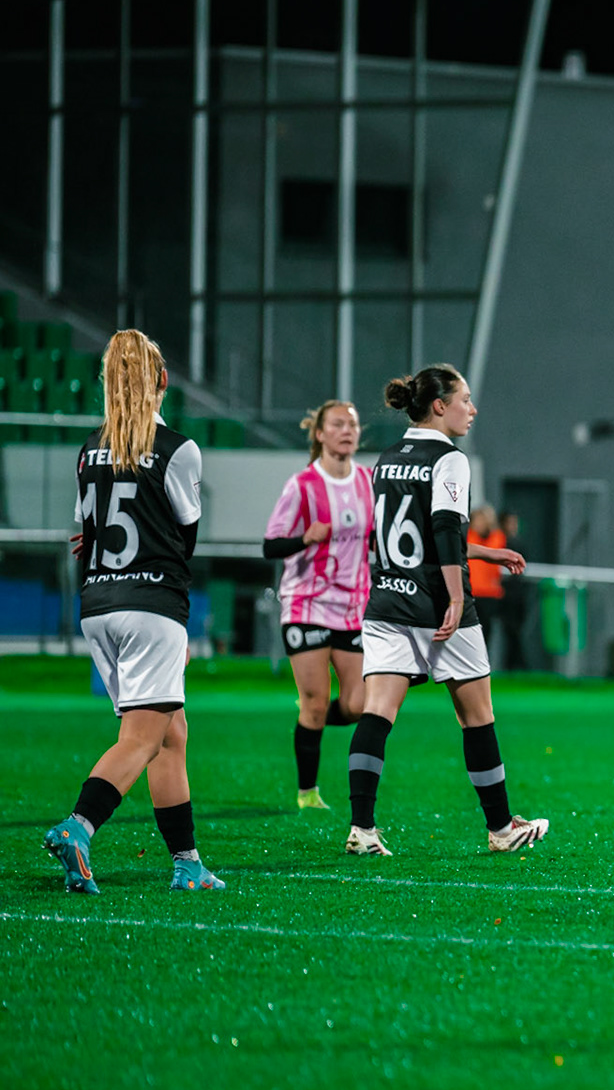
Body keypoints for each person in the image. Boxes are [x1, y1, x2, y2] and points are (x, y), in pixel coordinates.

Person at [43, 328, 223, 893]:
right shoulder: (178, 449)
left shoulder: (89, 448)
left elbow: (88, 531)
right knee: (141, 739)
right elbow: (183, 538)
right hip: (151, 606)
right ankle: (79, 826)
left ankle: (187, 863)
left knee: (171, 734)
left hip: (98, 603)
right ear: (163, 380)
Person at [341, 363, 543, 856]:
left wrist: (486, 552)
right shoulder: (449, 458)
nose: (471, 410)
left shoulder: (387, 458)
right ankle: (501, 829)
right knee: (477, 717)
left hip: (388, 600)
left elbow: (411, 534)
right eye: (464, 400)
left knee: (377, 713)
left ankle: (361, 829)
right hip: (437, 606)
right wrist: (455, 597)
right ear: (439, 405)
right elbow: (445, 529)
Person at [261, 399, 374, 810]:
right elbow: (270, 545)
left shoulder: (369, 482)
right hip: (306, 604)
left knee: (359, 705)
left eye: (352, 425)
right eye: (338, 424)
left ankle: (309, 717)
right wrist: (305, 538)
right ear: (321, 434)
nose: (347, 431)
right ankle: (308, 793)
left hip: (353, 607)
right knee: (314, 703)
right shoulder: (302, 485)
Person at [469, 504, 509, 663]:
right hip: (471, 591)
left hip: (490, 592)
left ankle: (482, 662)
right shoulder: (468, 536)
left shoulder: (497, 537)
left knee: (486, 631)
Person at [495, 511, 534, 671]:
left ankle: (515, 665)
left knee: (516, 631)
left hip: (518, 595)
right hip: (504, 595)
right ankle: (517, 665)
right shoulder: (499, 542)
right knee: (510, 631)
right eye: (510, 522)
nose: (514, 526)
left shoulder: (519, 544)